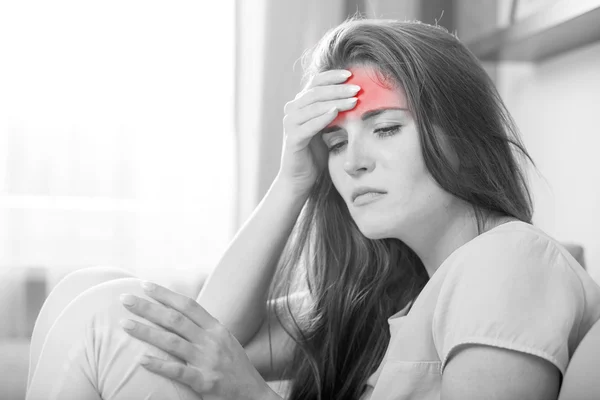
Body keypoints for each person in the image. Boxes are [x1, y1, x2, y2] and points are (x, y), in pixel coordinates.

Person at [26, 16, 600, 400]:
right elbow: (208, 336)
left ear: (463, 134)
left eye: (386, 128)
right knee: (93, 292)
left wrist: (249, 392)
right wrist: (291, 180)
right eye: (336, 142)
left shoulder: (509, 261)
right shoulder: (393, 289)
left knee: (100, 317)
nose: (353, 163)